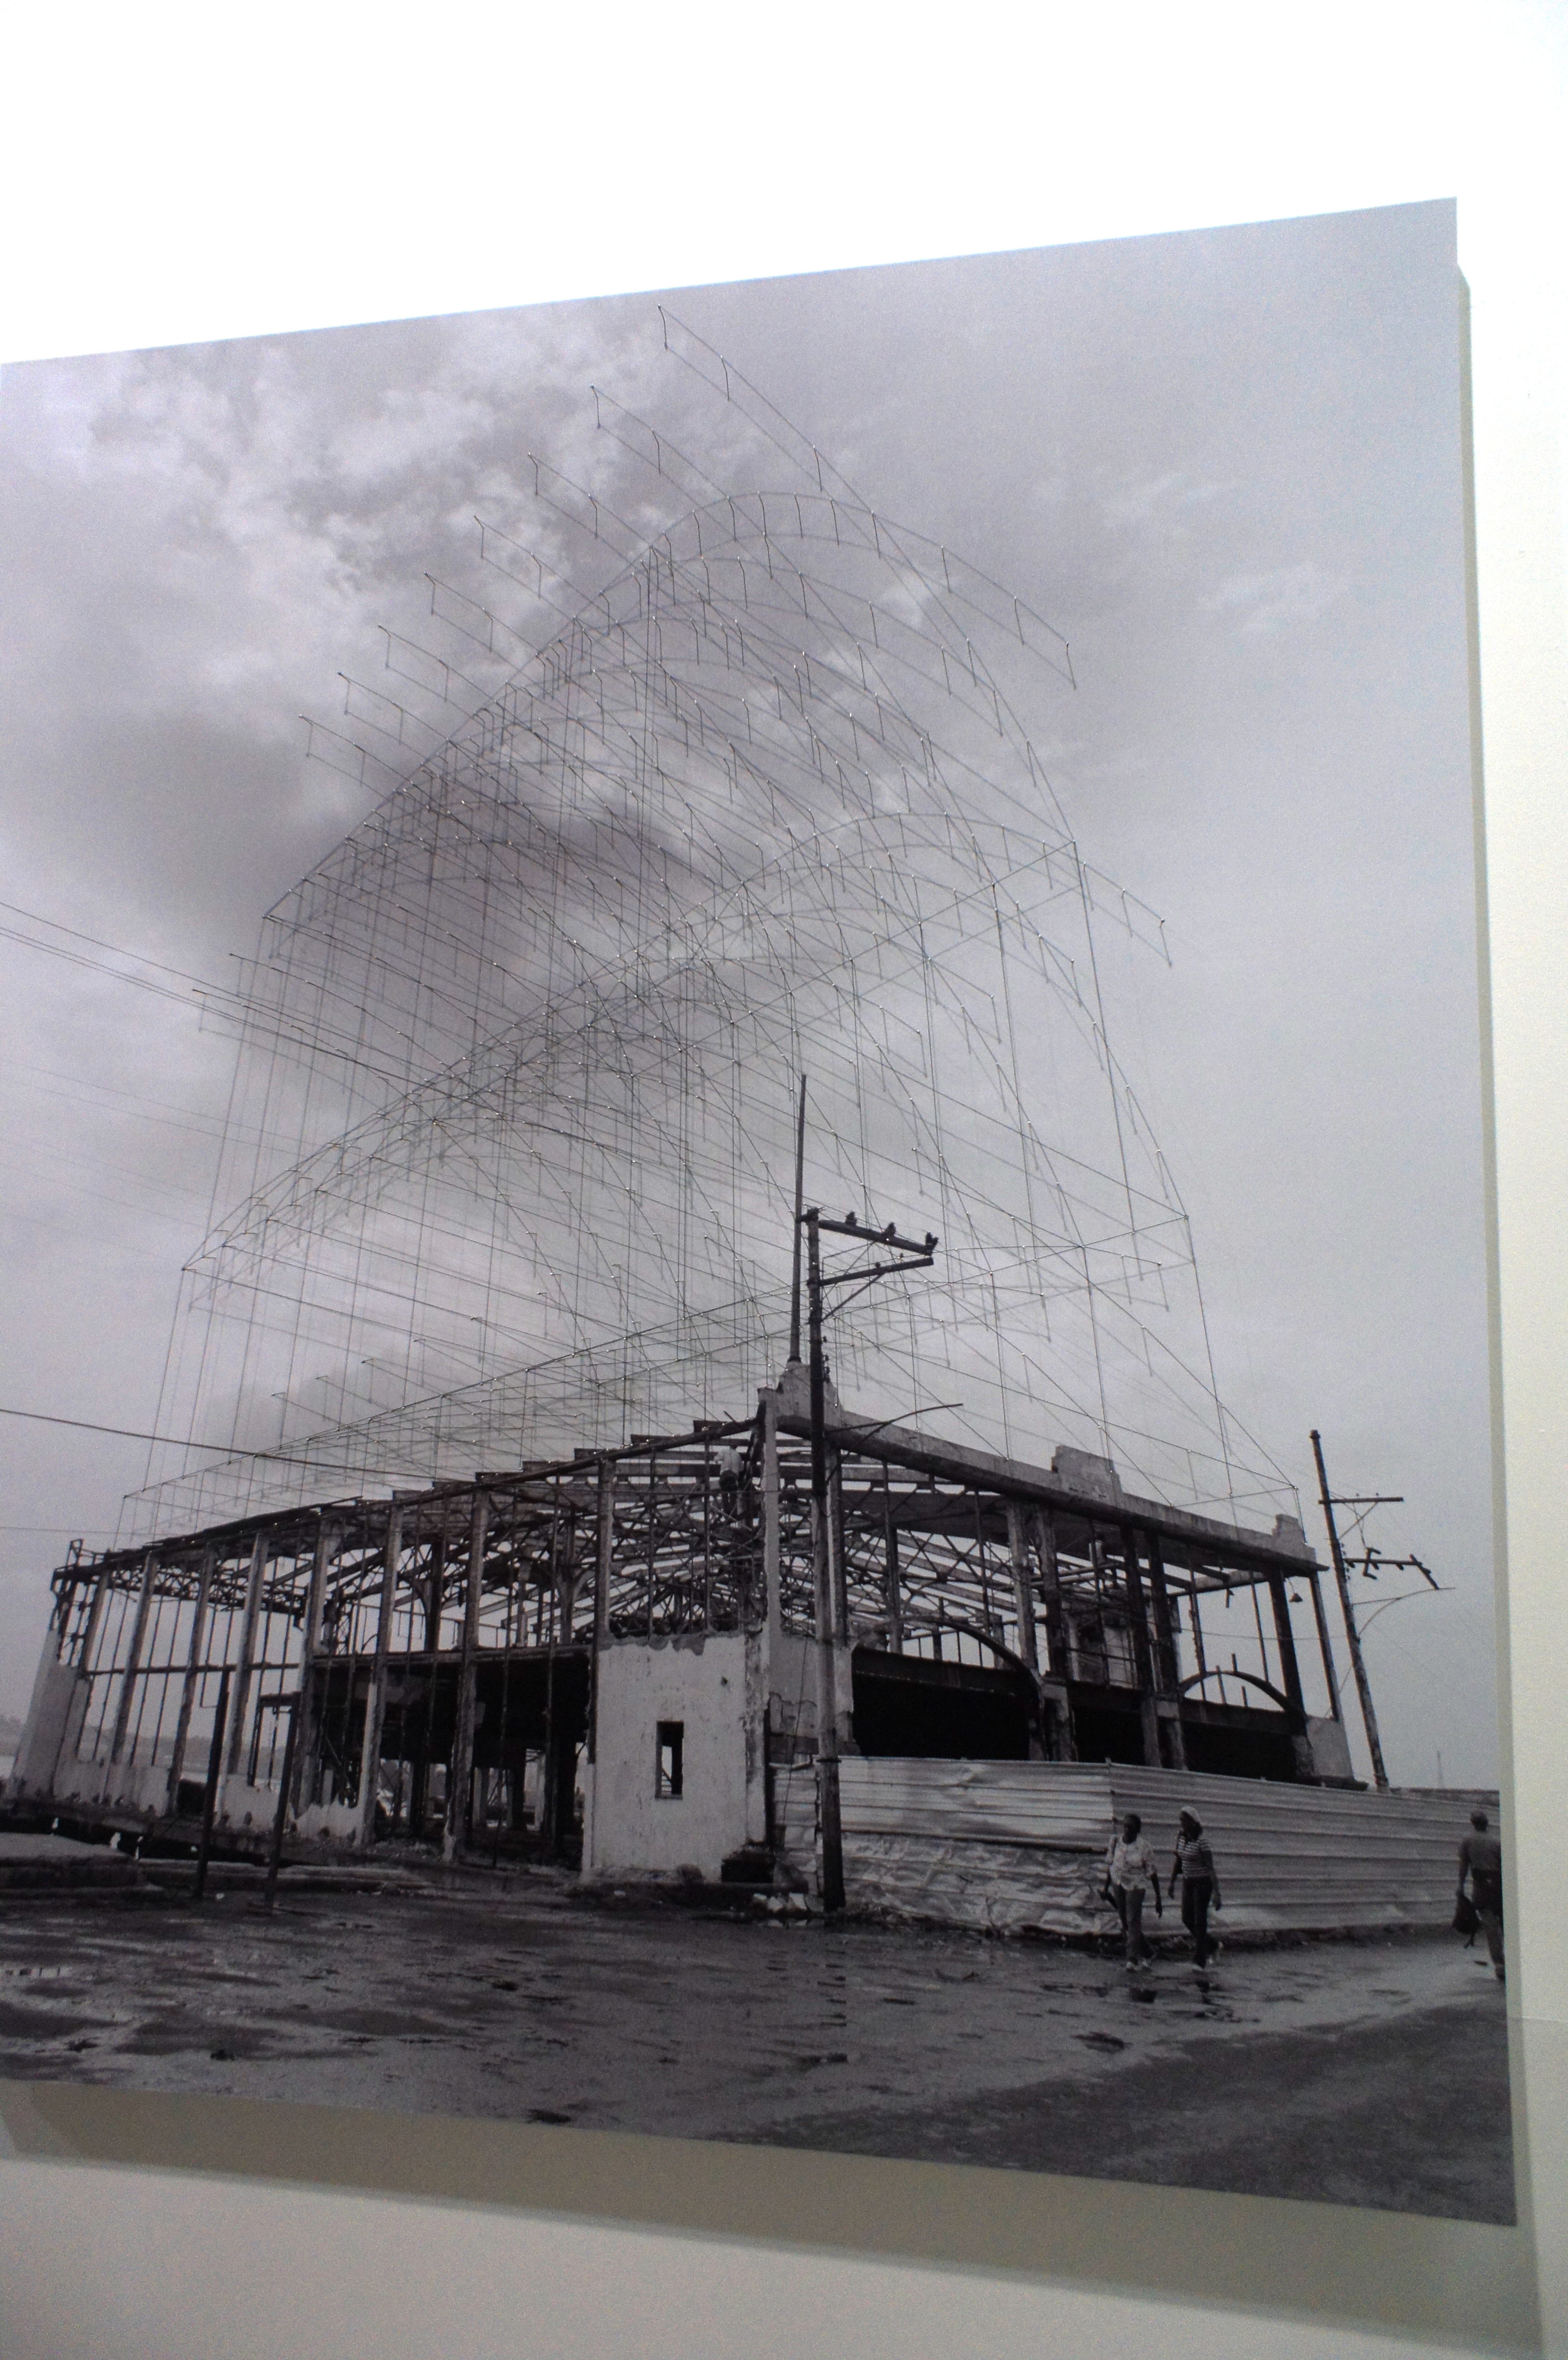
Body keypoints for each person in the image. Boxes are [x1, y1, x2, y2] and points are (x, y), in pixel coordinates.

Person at [1106, 1811, 1162, 1968]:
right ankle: (1148, 1952)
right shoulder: (1115, 1842)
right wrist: (1106, 1888)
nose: (1127, 1830)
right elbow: (1111, 1865)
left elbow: (1152, 1873)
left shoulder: (1144, 1847)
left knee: (1133, 1920)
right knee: (1125, 1921)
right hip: (1118, 1882)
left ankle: (1132, 1958)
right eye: (1125, 1826)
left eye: (1131, 1827)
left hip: (1136, 1885)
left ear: (1138, 1830)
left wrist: (1158, 1897)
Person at [1169, 1807, 1222, 1971]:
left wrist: (1217, 1893)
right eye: (1180, 1820)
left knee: (1200, 1920)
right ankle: (1212, 1945)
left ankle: (1200, 1960)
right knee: (1187, 1918)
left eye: (1184, 1820)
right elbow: (1179, 1862)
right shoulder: (1181, 1838)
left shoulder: (1202, 1842)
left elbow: (1210, 1868)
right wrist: (1172, 1882)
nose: (1181, 1823)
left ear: (1193, 1822)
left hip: (1202, 1883)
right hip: (1188, 1882)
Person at [1457, 1808, 1504, 1982]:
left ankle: (1500, 1965)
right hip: (1498, 1885)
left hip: (1482, 1887)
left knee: (1491, 1928)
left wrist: (1460, 1886)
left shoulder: (1468, 1841)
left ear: (1473, 1824)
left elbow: (1464, 1866)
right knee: (1505, 1925)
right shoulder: (1496, 1841)